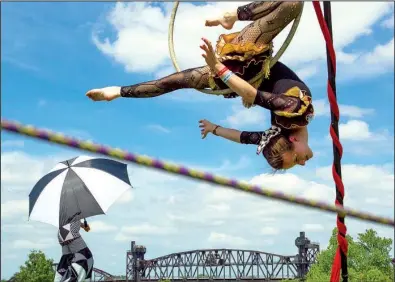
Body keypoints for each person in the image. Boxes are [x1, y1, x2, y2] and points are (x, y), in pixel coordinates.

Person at [86, 1, 314, 171]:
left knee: (175, 81)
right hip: (246, 66)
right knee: (292, 3)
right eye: (296, 160)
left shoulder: (278, 135)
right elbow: (253, 96)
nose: (303, 163)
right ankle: (231, 15)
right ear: (292, 142)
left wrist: (214, 128)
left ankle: (116, 91)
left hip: (239, 70)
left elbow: (241, 136)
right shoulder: (298, 111)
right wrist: (218, 67)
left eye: (296, 162)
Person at [54, 218, 94, 282]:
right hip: (70, 232)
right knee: (86, 257)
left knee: (67, 259)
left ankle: (59, 278)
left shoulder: (65, 211)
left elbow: (71, 220)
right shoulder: (74, 209)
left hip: (61, 233)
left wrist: (83, 225)